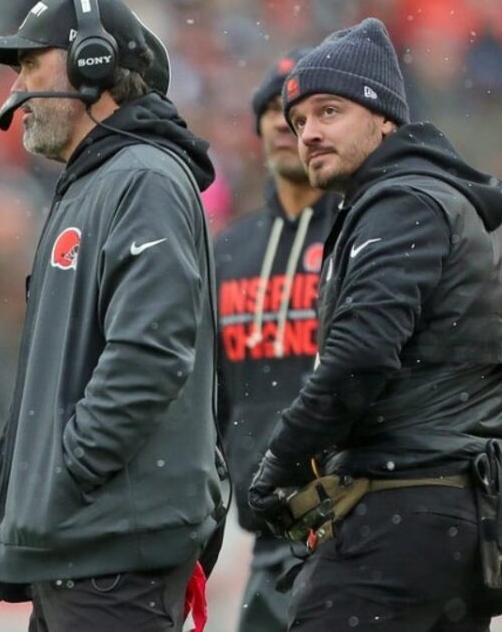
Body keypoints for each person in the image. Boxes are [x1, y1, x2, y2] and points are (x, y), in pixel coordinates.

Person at [248, 18, 502, 631]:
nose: (310, 134)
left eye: (329, 111)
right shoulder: (423, 198)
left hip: (405, 515)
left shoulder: (400, 201)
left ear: (385, 119)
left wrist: (282, 461)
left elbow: (360, 356)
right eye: (299, 122)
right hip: (454, 515)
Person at [0, 0, 224, 631]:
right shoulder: (101, 180)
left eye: (30, 64)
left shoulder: (139, 178)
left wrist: (70, 472)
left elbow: (149, 352)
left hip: (110, 548)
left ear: (92, 63)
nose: (15, 91)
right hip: (88, 545)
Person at [215, 45, 336, 632]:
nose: (290, 129)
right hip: (266, 529)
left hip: (354, 525)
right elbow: (209, 395)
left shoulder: (361, 235)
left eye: (307, 115)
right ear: (260, 127)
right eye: (277, 113)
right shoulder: (227, 252)